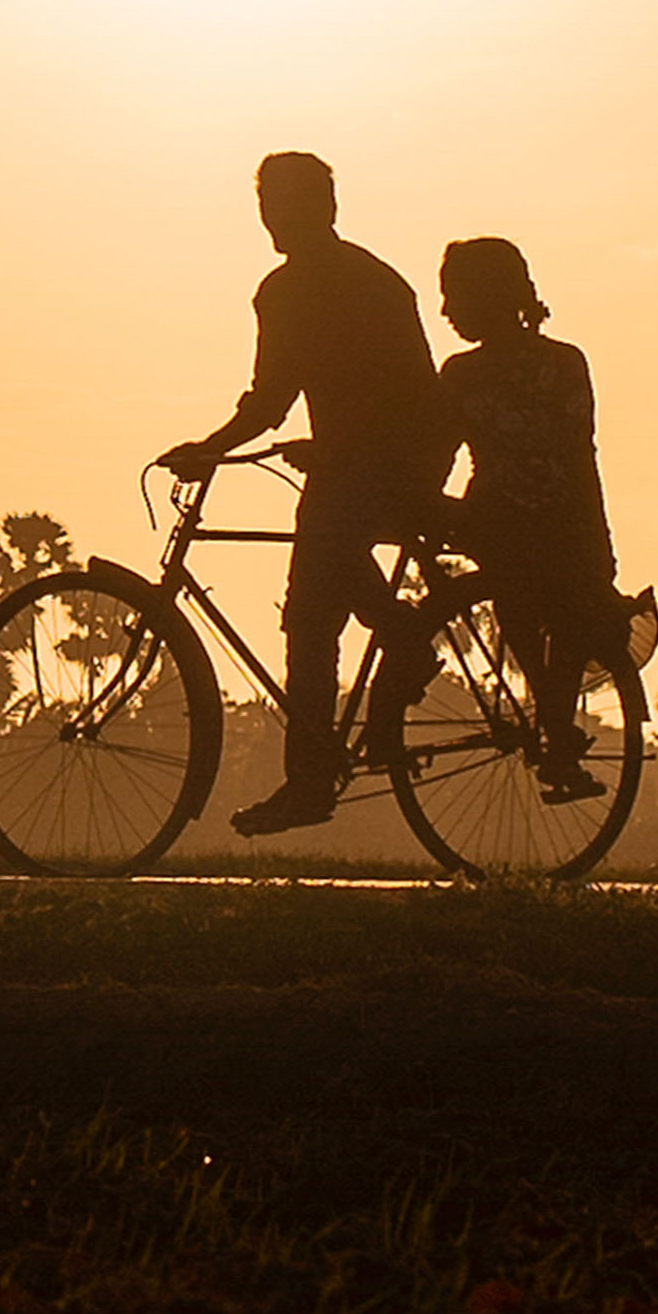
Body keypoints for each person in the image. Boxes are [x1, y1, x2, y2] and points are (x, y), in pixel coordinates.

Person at [161, 153, 454, 836]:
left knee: (314, 601)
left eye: (282, 203)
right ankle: (316, 768)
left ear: (319, 207)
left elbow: (282, 400)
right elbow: (300, 394)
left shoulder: (314, 288)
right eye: (268, 203)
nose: (272, 218)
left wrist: (211, 448)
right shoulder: (352, 280)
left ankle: (317, 769)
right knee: (312, 612)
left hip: (377, 457)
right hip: (380, 456)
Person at [436, 236, 638, 802]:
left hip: (496, 525)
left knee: (525, 609)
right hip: (562, 524)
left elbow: (439, 451)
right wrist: (600, 543)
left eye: (454, 296)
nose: (447, 311)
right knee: (569, 622)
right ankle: (556, 730)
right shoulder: (565, 362)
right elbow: (581, 457)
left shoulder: (461, 373)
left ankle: (555, 728)